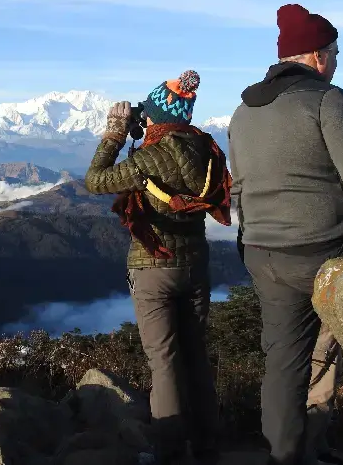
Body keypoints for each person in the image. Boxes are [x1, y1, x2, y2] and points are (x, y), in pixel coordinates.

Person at [227, 4, 343, 465]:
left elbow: (241, 185)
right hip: (323, 249)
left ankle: (284, 457)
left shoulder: (241, 111)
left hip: (261, 252)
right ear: (315, 55)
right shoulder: (327, 100)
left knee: (284, 362)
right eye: (333, 51)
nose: (336, 60)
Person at [84, 70, 233, 464]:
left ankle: (169, 451)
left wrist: (115, 134)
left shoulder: (150, 155)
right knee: (195, 357)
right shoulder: (207, 149)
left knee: (164, 362)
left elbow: (96, 181)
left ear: (155, 116)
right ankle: (206, 448)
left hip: (153, 268)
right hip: (196, 265)